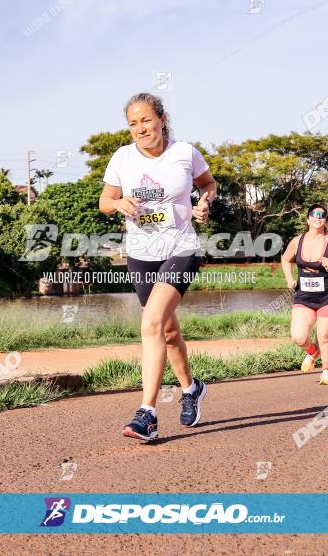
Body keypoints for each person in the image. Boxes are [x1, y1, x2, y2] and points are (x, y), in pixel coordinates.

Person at [98, 92, 217, 441]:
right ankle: (191, 388)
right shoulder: (121, 158)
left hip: (182, 247)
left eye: (146, 120)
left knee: (150, 322)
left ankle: (146, 413)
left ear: (162, 119)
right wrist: (118, 203)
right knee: (166, 331)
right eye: (133, 123)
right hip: (140, 252)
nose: (140, 128)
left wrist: (204, 202)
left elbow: (208, 184)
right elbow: (105, 201)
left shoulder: (185, 152)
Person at [280, 204, 328, 385]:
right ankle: (313, 352)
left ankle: (327, 370)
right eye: (314, 215)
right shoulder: (297, 241)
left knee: (323, 335)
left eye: (322, 216)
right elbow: (285, 259)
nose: (318, 218)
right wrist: (289, 278)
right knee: (298, 336)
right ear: (308, 219)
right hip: (305, 296)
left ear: (326, 221)